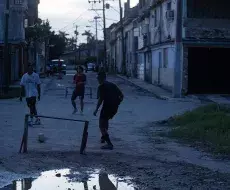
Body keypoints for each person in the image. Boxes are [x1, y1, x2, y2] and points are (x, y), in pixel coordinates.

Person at [94, 72, 123, 150]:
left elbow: (100, 99)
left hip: (106, 107)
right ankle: (103, 137)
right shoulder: (112, 85)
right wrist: (117, 103)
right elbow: (121, 95)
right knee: (105, 121)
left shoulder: (101, 87)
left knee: (101, 125)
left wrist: (96, 110)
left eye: (98, 79)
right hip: (114, 108)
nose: (97, 80)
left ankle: (109, 144)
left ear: (101, 79)